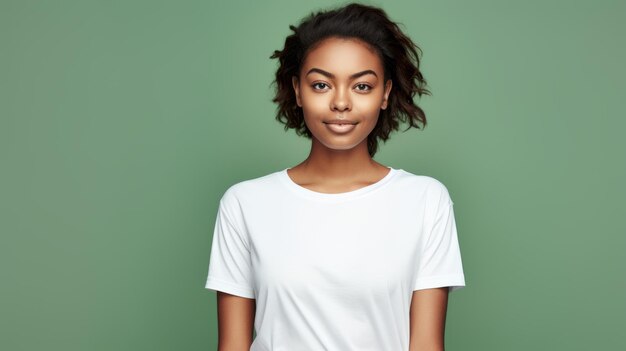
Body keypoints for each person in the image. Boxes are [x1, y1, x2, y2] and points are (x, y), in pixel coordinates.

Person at [204, 2, 466, 350]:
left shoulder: (425, 201)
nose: (341, 103)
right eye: (322, 85)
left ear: (385, 93)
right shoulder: (244, 203)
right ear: (298, 90)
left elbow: (427, 345)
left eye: (361, 86)